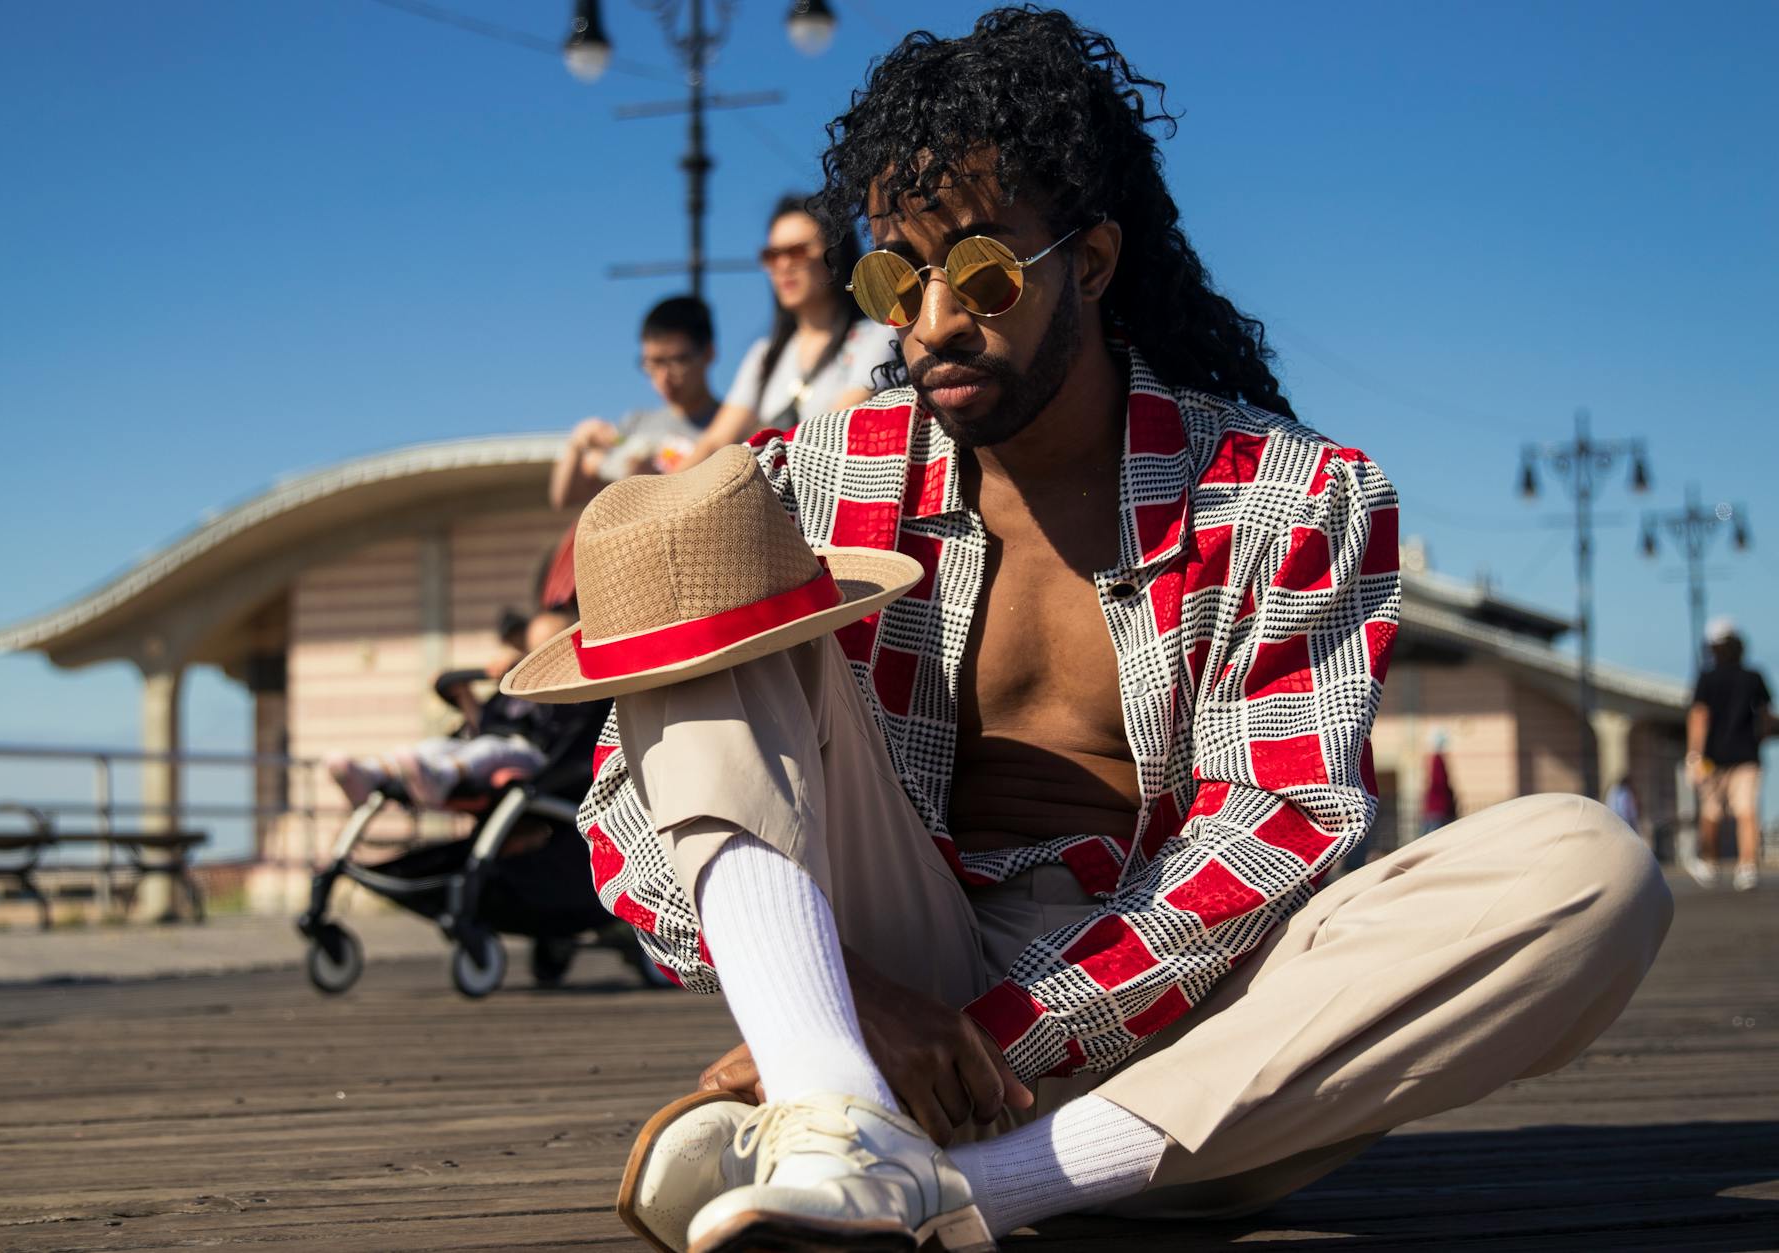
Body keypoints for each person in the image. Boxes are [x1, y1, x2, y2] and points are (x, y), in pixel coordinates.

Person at [518, 11, 1673, 1250]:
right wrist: (849, 1002)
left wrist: (982, 1045)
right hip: (902, 970)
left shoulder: (1287, 496)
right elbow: (633, 823)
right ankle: (837, 1098)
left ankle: (936, 1173)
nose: (932, 321)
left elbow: (1269, 833)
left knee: (1588, 870)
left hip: (1184, 1044)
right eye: (893, 278)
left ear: (1095, 260)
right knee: (691, 538)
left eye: (980, 271)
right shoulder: (814, 475)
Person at [669, 194, 897, 469]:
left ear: (835, 253)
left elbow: (832, 434)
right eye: (772, 255)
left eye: (797, 251)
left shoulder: (878, 336)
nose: (783, 265)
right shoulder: (764, 356)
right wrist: (654, 497)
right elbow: (714, 442)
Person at [323, 606, 575, 811]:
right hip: (491, 747)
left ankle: (444, 777)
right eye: (532, 650)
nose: (535, 656)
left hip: (539, 759)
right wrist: (464, 696)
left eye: (546, 650)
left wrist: (519, 666)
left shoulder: (572, 693)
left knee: (489, 749)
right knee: (435, 746)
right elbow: (484, 726)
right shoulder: (513, 693)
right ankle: (372, 772)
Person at [550, 296, 721, 511]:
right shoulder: (635, 425)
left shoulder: (730, 429)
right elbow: (564, 498)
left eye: (677, 361)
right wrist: (577, 442)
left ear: (708, 354)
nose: (663, 377)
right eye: (653, 363)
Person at [1683, 617, 1770, 891]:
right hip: (1747, 755)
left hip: (1713, 757)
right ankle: (1747, 868)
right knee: (1746, 811)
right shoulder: (1754, 677)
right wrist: (1760, 738)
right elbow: (1766, 717)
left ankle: (1709, 864)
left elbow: (1699, 716)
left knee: (1711, 811)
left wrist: (1694, 755)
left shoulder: (1707, 679)